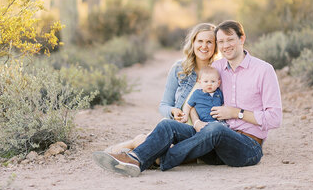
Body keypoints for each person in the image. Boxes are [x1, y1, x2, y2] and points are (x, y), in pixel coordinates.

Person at [93, 20, 282, 177]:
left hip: (246, 148)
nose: (226, 46)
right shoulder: (217, 68)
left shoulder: (263, 70)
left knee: (216, 128)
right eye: (221, 42)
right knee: (169, 126)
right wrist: (197, 121)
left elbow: (274, 118)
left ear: (242, 39)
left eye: (230, 40)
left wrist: (235, 113)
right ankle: (135, 159)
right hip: (214, 144)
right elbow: (197, 97)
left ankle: (158, 159)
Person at [94, 22, 219, 157]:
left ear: (216, 45)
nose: (204, 46)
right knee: (153, 146)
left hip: (203, 131)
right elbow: (164, 105)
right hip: (178, 128)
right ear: (193, 43)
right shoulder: (179, 69)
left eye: (209, 42)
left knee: (161, 157)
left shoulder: (220, 71)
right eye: (200, 41)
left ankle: (131, 149)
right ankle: (125, 149)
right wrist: (172, 111)